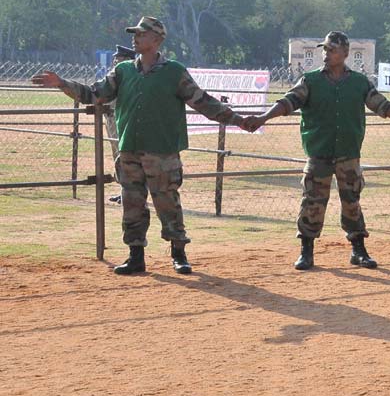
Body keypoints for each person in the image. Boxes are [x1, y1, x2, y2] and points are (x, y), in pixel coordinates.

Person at [31, 16, 243, 275]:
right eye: (135, 34)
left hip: (162, 150)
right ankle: (135, 255)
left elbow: (203, 102)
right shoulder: (123, 71)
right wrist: (63, 84)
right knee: (132, 203)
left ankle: (178, 253)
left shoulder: (174, 71)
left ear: (156, 40)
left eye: (141, 34)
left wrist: (238, 120)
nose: (135, 38)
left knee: (167, 201)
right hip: (129, 149)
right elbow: (95, 94)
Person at [243, 31, 390, 271]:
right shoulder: (310, 81)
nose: (326, 54)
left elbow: (382, 106)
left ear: (345, 53)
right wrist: (264, 118)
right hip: (319, 153)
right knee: (312, 202)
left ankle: (358, 249)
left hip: (348, 153)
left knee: (352, 201)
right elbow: (288, 102)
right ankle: (306, 251)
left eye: (331, 50)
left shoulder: (359, 83)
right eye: (325, 49)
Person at [104, 45, 137, 204]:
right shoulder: (115, 76)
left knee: (124, 156)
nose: (115, 61)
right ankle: (123, 189)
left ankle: (129, 191)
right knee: (116, 155)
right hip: (110, 119)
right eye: (115, 59)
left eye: (119, 59)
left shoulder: (130, 76)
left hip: (122, 120)